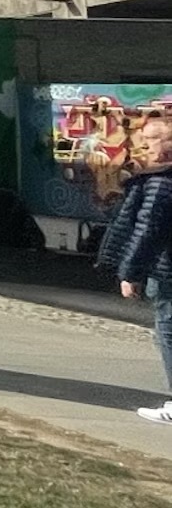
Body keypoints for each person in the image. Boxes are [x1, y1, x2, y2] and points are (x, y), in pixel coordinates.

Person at [98, 118, 172, 423]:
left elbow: (148, 230)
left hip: (168, 272)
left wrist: (131, 273)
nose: (141, 147)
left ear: (165, 145)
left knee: (168, 332)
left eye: (148, 141)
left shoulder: (160, 183)